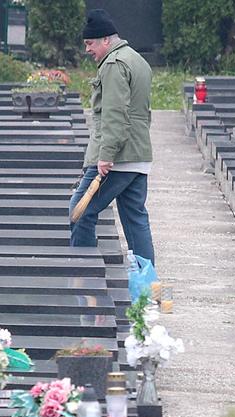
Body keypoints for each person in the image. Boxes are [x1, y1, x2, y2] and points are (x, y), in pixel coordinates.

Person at [68, 9, 155, 265]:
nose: (87, 49)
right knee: (134, 218)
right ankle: (147, 281)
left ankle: (82, 275)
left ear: (106, 40)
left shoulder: (114, 64)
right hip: (138, 155)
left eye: (90, 43)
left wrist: (105, 157)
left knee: (80, 211)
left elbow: (115, 114)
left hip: (117, 157)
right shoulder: (137, 60)